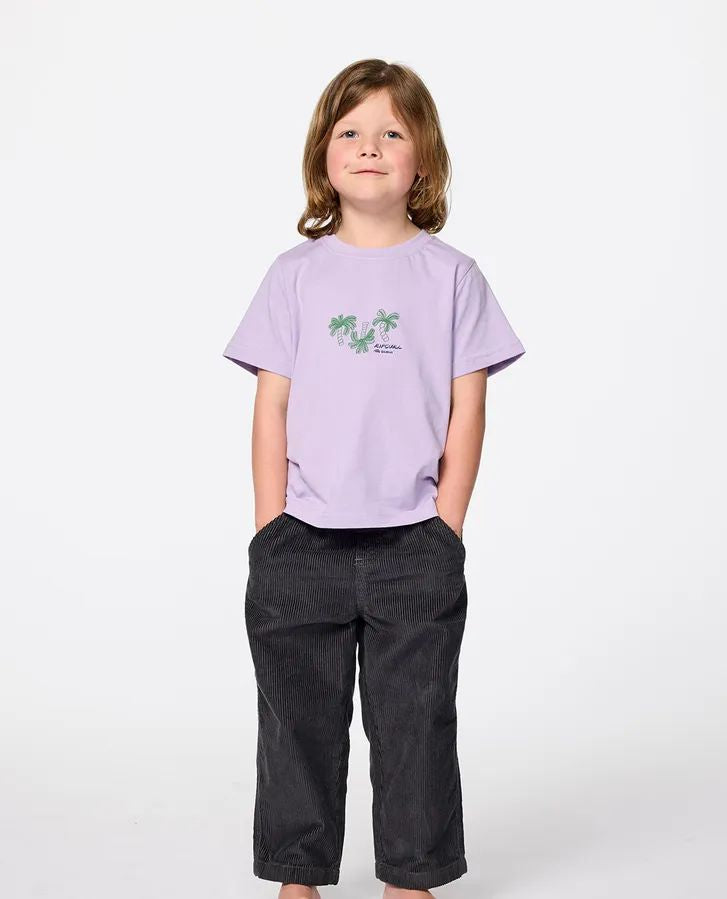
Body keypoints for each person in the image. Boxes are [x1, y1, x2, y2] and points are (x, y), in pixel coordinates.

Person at [222, 58, 526, 899]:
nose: (369, 146)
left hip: (412, 544)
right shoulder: (293, 274)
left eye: (392, 132)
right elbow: (271, 406)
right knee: (296, 722)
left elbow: (468, 407)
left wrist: (446, 524)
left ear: (422, 158)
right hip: (300, 543)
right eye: (350, 131)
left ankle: (410, 878)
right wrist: (269, 525)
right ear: (323, 156)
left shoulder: (452, 276)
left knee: (416, 720)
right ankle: (298, 876)